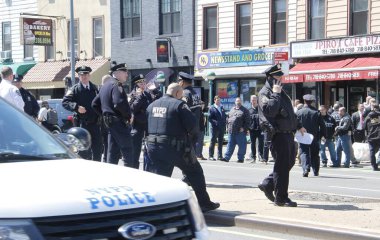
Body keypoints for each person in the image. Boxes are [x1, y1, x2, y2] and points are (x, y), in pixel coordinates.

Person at [145, 83, 220, 212]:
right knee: (195, 172)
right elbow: (193, 127)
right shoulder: (179, 105)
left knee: (160, 178)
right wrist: (191, 142)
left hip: (153, 147)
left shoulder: (152, 105)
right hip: (175, 148)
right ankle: (204, 203)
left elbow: (146, 126)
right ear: (178, 93)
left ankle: (156, 207)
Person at [257, 64, 306, 207]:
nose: (281, 79)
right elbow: (269, 111)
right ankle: (281, 198)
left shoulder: (281, 92)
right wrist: (276, 94)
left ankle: (268, 184)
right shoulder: (265, 93)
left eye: (281, 76)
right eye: (278, 76)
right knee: (282, 167)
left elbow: (289, 113)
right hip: (277, 135)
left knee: (288, 164)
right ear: (270, 77)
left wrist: (298, 125)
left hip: (288, 134)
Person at [92, 63, 133, 166]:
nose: (127, 75)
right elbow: (118, 102)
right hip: (118, 123)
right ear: (117, 73)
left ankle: (111, 178)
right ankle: (131, 178)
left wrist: (104, 115)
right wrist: (128, 116)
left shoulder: (105, 85)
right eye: (125, 72)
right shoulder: (116, 85)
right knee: (128, 151)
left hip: (110, 124)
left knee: (112, 153)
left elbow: (94, 104)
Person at [62, 66, 102, 161]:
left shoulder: (95, 88)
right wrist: (76, 107)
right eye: (81, 75)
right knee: (83, 151)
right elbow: (65, 102)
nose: (84, 76)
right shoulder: (74, 89)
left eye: (86, 74)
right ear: (79, 76)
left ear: (89, 75)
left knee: (98, 150)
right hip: (82, 124)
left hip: (95, 124)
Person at [129, 74, 153, 169]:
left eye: (144, 82)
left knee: (149, 149)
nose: (143, 84)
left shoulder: (147, 94)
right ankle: (135, 169)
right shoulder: (133, 95)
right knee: (136, 149)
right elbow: (132, 108)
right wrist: (139, 97)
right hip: (137, 125)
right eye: (141, 83)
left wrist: (154, 90)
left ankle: (147, 169)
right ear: (136, 84)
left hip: (147, 124)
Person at [296, 94, 324, 177]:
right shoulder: (316, 112)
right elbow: (322, 125)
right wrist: (323, 135)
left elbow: (295, 123)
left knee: (304, 152)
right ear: (312, 102)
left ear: (304, 101)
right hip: (314, 136)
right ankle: (316, 171)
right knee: (315, 153)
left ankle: (305, 168)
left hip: (303, 135)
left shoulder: (299, 112)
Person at [221, 97, 250, 163]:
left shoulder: (245, 110)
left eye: (239, 101)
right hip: (231, 131)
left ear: (241, 102)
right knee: (230, 145)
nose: (238, 102)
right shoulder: (232, 109)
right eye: (237, 101)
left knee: (242, 145)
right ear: (235, 102)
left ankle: (240, 158)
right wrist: (227, 126)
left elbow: (248, 121)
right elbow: (228, 119)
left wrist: (244, 128)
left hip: (240, 132)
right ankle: (226, 157)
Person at [208, 95, 227, 161]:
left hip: (221, 128)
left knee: (220, 142)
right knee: (213, 142)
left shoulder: (222, 107)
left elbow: (224, 116)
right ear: (214, 100)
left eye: (219, 100)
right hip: (214, 128)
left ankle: (219, 156)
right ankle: (211, 156)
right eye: (217, 100)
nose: (218, 101)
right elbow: (209, 118)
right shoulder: (211, 108)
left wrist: (224, 123)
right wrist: (216, 123)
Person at [364, 103, 380, 171]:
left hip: (371, 136)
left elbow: (364, 126)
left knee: (372, 152)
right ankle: (378, 162)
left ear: (372, 108)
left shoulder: (368, 116)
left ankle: (374, 166)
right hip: (379, 136)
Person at [248, 95, 264, 163]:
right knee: (252, 144)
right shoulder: (249, 110)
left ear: (257, 100)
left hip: (260, 129)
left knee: (261, 143)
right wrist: (248, 129)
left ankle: (260, 156)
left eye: (254, 100)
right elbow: (247, 121)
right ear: (250, 101)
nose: (253, 101)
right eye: (252, 100)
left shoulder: (260, 109)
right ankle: (253, 157)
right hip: (252, 130)